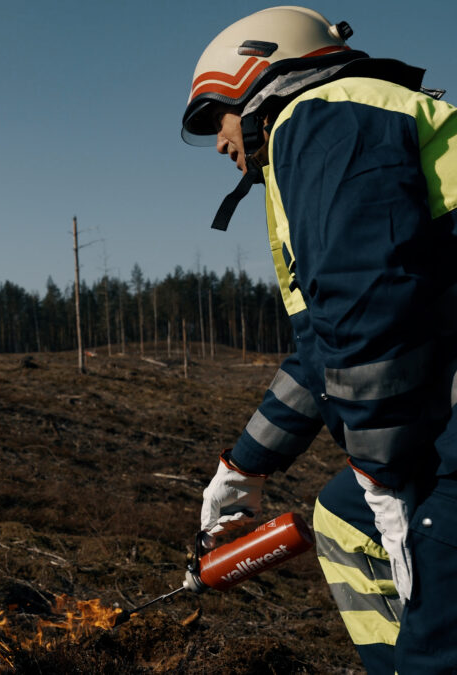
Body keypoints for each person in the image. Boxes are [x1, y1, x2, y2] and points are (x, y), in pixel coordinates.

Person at [181, 6, 457, 673]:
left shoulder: (326, 117)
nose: (220, 143)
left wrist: (386, 478)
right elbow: (323, 350)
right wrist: (244, 468)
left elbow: (371, 306)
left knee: (436, 631)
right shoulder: (336, 129)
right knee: (341, 511)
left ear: (253, 77)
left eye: (217, 118)